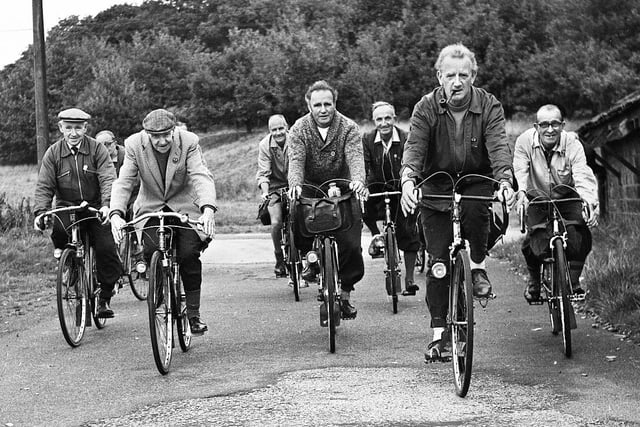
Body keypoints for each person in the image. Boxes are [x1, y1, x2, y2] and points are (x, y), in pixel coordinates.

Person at [400, 44, 516, 360]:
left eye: (463, 75)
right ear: (440, 76)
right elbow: (414, 148)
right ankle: (439, 333)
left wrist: (505, 180)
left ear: (473, 76)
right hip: (435, 184)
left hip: (476, 179)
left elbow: (498, 147)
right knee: (438, 264)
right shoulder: (425, 108)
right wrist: (408, 179)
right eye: (450, 75)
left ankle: (477, 265)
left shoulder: (490, 106)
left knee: (478, 206)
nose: (456, 82)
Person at [109, 109, 217, 335]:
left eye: (166, 135)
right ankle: (160, 298)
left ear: (174, 130)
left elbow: (200, 175)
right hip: (151, 206)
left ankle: (193, 314)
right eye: (155, 136)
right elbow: (124, 181)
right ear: (146, 134)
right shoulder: (134, 145)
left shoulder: (189, 142)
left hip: (184, 205)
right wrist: (116, 213)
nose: (162, 141)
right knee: (150, 250)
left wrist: (207, 209)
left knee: (188, 253)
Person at [288, 80, 369, 319]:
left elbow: (355, 158)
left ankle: (344, 295)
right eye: (317, 105)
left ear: (335, 103)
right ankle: (309, 260)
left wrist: (358, 182)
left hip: (343, 189)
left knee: (351, 244)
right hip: (311, 189)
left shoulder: (349, 128)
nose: (323, 110)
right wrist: (295, 186)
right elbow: (296, 161)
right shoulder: (299, 129)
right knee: (296, 218)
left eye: (328, 104)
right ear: (309, 105)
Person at [34, 108, 123, 318]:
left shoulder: (97, 149)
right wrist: (41, 212)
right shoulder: (53, 153)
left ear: (85, 128)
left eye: (78, 128)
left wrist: (107, 205)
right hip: (67, 205)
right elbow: (44, 185)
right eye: (68, 128)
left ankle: (104, 297)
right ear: (61, 128)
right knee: (59, 231)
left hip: (93, 207)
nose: (73, 133)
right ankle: (69, 263)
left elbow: (108, 178)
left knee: (106, 248)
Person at [514, 104, 599, 302]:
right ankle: (534, 281)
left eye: (554, 124)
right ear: (536, 126)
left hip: (566, 195)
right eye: (544, 124)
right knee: (534, 241)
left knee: (581, 233)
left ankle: (574, 281)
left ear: (563, 125)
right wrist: (522, 195)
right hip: (536, 196)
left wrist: (588, 202)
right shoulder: (524, 141)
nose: (550, 129)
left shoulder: (572, 143)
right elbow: (520, 171)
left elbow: (582, 174)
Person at [363, 101, 421, 296]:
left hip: (401, 187)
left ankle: (410, 278)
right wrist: (362, 185)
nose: (384, 123)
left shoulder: (406, 138)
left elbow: (413, 164)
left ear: (394, 119)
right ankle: (376, 236)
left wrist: (411, 186)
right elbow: (365, 166)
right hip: (377, 186)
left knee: (408, 230)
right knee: (361, 204)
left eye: (388, 118)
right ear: (374, 121)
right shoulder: (368, 140)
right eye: (379, 119)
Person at [256, 114, 291, 278]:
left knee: (305, 218)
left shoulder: (295, 140)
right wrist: (265, 192)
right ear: (269, 131)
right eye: (274, 130)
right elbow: (263, 173)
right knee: (276, 222)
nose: (278, 133)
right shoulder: (264, 145)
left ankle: (309, 257)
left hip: (296, 185)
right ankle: (279, 259)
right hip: (275, 188)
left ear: (286, 127)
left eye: (280, 128)